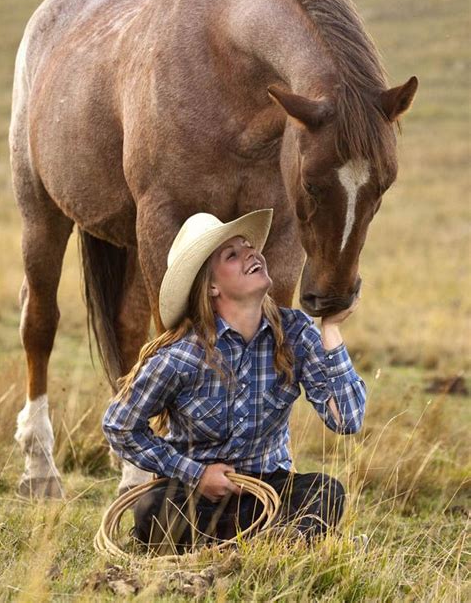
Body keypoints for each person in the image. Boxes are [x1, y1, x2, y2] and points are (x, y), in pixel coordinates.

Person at [102, 209, 366, 553]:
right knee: (154, 510)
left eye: (249, 247)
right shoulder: (183, 356)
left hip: (267, 488)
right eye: (233, 254)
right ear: (211, 286)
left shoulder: (295, 334)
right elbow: (119, 426)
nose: (252, 254)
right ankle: (278, 544)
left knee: (325, 491)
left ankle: (246, 544)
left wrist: (330, 330)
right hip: (194, 494)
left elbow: (348, 419)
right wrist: (196, 474)